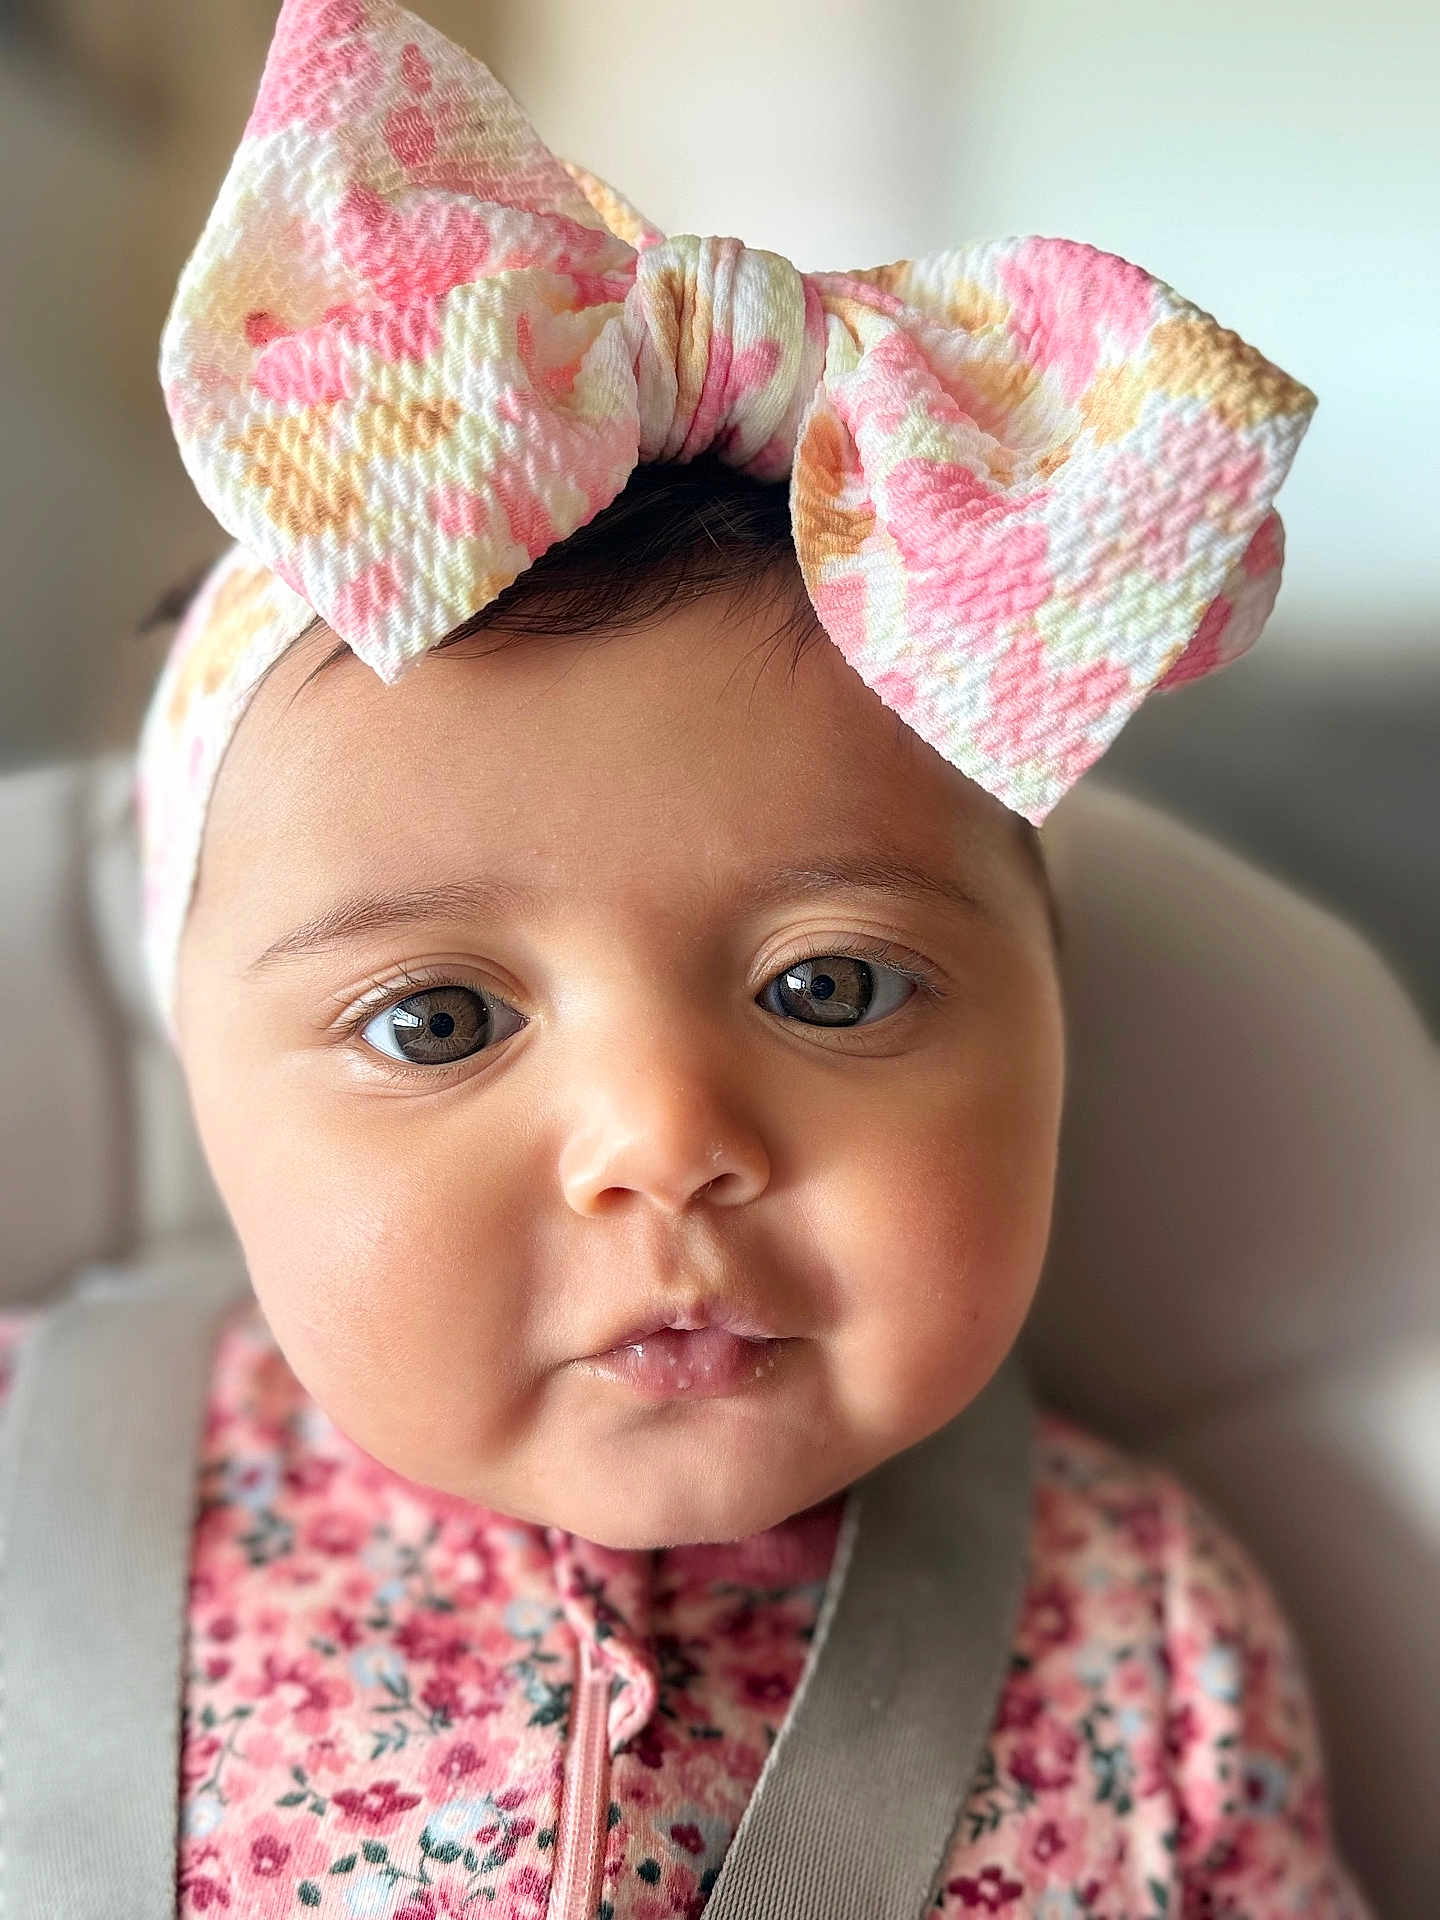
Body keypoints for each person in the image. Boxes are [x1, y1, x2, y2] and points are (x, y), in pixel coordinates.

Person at [0, 0, 1377, 1912]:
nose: (664, 1137)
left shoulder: (1148, 1650)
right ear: (192, 1061)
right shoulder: (23, 1490)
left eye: (834, 985)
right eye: (439, 1019)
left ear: (1059, 1013)